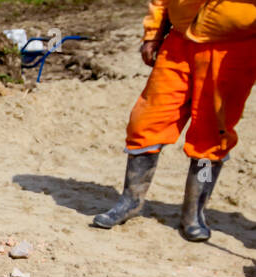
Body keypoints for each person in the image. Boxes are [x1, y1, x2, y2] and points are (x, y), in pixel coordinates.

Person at [93, 0, 256, 240]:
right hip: (178, 45)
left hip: (233, 52)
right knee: (146, 121)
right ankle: (130, 202)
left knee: (212, 136)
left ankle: (194, 214)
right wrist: (152, 34)